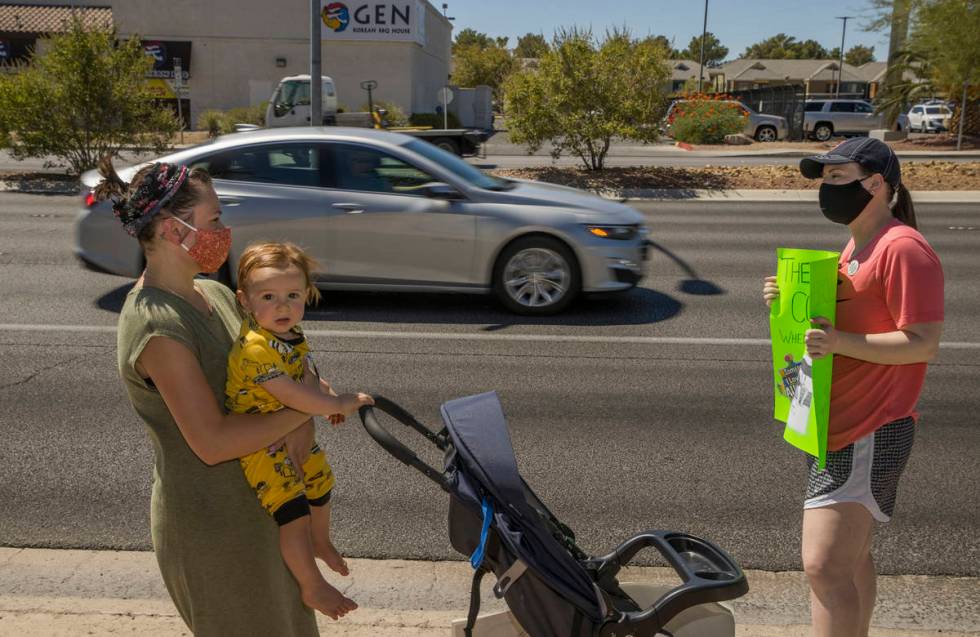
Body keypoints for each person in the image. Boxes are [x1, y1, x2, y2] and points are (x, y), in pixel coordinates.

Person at [97, 158, 343, 635]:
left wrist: (312, 391)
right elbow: (212, 441)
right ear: (174, 230)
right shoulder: (158, 326)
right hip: (217, 531)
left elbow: (282, 358)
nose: (223, 231)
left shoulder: (215, 293)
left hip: (265, 510)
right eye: (213, 221)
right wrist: (306, 408)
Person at [762, 137, 944, 637]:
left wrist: (838, 340)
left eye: (837, 177)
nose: (827, 188)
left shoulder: (902, 247)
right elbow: (835, 319)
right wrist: (785, 299)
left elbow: (922, 343)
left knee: (825, 566)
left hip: (868, 428)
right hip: (834, 422)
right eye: (824, 178)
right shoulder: (857, 244)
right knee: (851, 560)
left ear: (876, 183)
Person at [225, 241, 372, 617]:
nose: (283, 306)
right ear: (245, 301)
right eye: (269, 296)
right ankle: (312, 585)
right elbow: (290, 394)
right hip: (262, 445)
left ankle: (321, 543)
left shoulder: (290, 333)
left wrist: (327, 395)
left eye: (293, 295)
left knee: (321, 485)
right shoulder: (256, 347)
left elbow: (305, 373)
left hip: (293, 434)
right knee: (293, 514)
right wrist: (336, 405)